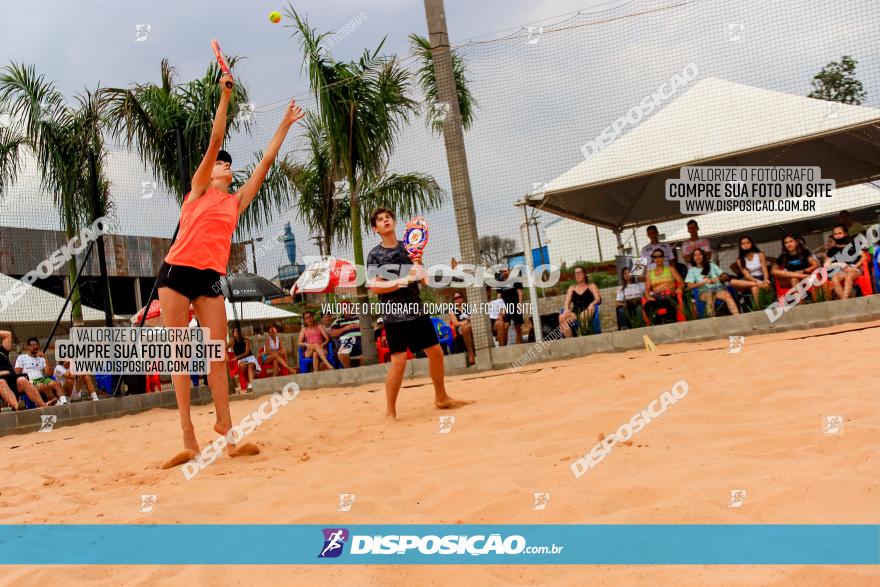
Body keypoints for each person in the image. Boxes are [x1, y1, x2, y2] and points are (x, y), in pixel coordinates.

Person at [156, 72, 303, 469]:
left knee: (217, 355)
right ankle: (188, 432)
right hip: (176, 273)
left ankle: (227, 428)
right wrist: (225, 96)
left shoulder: (235, 202)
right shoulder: (199, 188)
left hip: (209, 278)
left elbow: (267, 161)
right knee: (179, 356)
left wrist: (285, 125)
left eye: (226, 166)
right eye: (221, 163)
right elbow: (216, 139)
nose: (224, 165)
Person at [367, 207, 472, 421]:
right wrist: (402, 281)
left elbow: (424, 281)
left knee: (436, 353)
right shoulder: (375, 255)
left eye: (388, 217)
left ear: (394, 223)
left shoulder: (409, 249)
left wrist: (419, 268)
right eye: (380, 219)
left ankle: (441, 398)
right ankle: (390, 412)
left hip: (416, 309)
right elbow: (374, 286)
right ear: (375, 228)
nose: (385, 220)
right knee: (399, 362)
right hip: (394, 315)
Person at [0, 330, 47, 409]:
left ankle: (42, 404)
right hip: (1, 381)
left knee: (22, 379)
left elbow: (8, 334)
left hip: (11, 379)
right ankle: (17, 406)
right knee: (1, 382)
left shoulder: (2, 351)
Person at [685, 249, 739, 315]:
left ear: (703, 256)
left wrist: (719, 278)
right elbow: (689, 286)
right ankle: (712, 321)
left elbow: (726, 276)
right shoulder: (692, 270)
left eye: (700, 254)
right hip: (704, 291)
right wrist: (704, 282)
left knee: (727, 294)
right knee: (710, 296)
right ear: (693, 258)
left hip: (718, 289)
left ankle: (737, 316)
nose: (698, 257)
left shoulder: (712, 265)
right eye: (695, 255)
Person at [772, 234, 822, 301]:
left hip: (804, 277)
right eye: (786, 243)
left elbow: (815, 264)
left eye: (791, 241)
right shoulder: (783, 256)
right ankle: (801, 277)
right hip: (791, 279)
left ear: (796, 242)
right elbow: (773, 270)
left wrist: (803, 271)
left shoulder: (804, 252)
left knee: (794, 279)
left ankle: (803, 301)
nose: (788, 244)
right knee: (777, 272)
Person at [15, 337, 63, 404]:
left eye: (36, 345)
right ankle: (58, 404)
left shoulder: (41, 358)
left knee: (56, 383)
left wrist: (45, 358)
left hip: (42, 379)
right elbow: (18, 374)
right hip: (30, 381)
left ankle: (64, 402)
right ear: (28, 347)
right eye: (32, 345)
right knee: (43, 385)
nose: (35, 347)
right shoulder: (22, 358)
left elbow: (49, 373)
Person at [824, 224, 865, 299]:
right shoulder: (832, 250)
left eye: (840, 233)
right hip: (840, 271)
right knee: (834, 279)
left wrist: (855, 267)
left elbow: (864, 257)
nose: (838, 235)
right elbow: (826, 265)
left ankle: (844, 301)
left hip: (854, 269)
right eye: (835, 234)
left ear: (845, 234)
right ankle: (844, 300)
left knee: (848, 276)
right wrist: (840, 265)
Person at [559, 266, 601, 338]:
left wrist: (592, 304)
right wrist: (566, 309)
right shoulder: (572, 288)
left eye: (580, 272)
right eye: (576, 273)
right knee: (562, 317)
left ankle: (583, 337)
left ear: (584, 274)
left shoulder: (591, 286)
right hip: (576, 312)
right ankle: (570, 340)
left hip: (589, 309)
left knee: (583, 315)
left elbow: (598, 299)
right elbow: (567, 302)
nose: (578, 274)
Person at [643, 251, 684, 324]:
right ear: (653, 259)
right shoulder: (649, 273)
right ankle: (657, 324)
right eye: (655, 257)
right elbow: (647, 289)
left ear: (663, 258)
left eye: (660, 256)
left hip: (670, 296)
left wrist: (679, 288)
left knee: (670, 304)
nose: (658, 258)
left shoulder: (670, 269)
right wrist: (648, 297)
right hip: (657, 298)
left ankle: (669, 322)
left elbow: (681, 282)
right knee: (647, 306)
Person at [733, 236, 771, 303]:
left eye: (747, 243)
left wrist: (766, 280)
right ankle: (761, 285)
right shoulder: (739, 260)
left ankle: (758, 309)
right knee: (733, 282)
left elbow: (765, 270)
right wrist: (758, 282)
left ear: (751, 244)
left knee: (754, 288)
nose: (746, 245)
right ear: (740, 246)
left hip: (761, 278)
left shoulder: (760, 255)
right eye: (743, 244)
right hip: (750, 280)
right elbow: (747, 276)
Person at [494, 267, 524, 346]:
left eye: (505, 271)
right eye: (502, 272)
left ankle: (519, 345)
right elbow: (499, 295)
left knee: (517, 326)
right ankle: (505, 347)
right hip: (505, 308)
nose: (504, 273)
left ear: (509, 271)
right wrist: (499, 309)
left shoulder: (515, 280)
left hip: (516, 306)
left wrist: (520, 303)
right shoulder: (499, 282)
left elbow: (519, 292)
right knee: (505, 326)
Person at [329, 303, 362, 368]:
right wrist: (346, 328)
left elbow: (368, 328)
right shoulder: (338, 321)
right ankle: (349, 371)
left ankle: (360, 370)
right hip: (346, 340)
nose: (347, 309)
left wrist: (360, 326)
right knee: (342, 353)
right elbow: (332, 334)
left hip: (361, 339)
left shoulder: (359, 318)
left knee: (369, 351)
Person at [228, 326, 260, 391]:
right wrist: (227, 357)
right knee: (243, 366)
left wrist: (236, 357)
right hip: (241, 360)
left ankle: (251, 386)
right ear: (233, 333)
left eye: (239, 331)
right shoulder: (232, 341)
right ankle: (248, 383)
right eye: (236, 331)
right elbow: (224, 348)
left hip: (249, 357)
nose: (238, 333)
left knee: (250, 365)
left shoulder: (246, 340)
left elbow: (247, 352)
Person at [448, 292, 475, 366]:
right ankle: (471, 354)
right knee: (465, 328)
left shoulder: (468, 307)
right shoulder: (452, 310)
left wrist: (468, 322)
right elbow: (456, 323)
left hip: (471, 326)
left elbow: (474, 318)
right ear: (454, 300)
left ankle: (472, 354)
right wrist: (466, 321)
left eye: (459, 297)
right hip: (460, 329)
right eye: (455, 298)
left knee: (467, 327)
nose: (458, 299)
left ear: (462, 298)